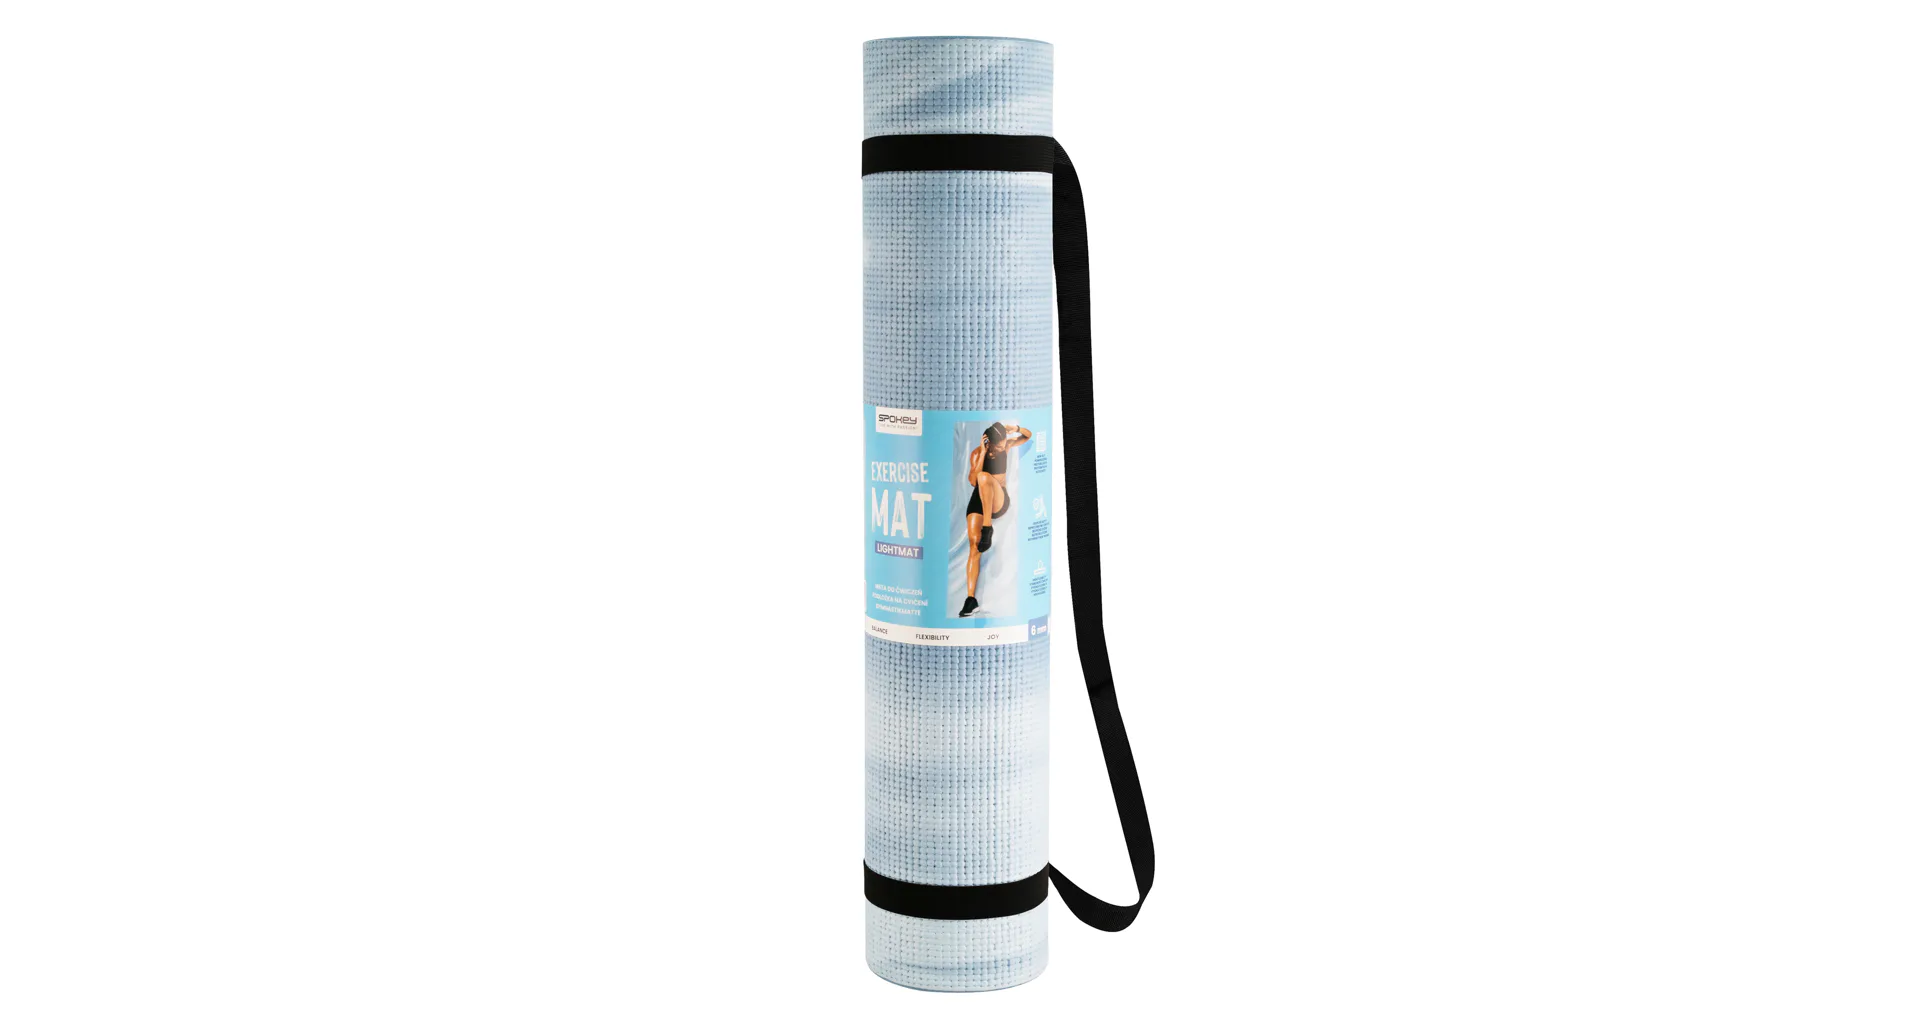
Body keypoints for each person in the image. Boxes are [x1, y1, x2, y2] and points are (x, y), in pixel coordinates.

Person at [959, 421, 1032, 617]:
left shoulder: (1006, 445)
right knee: (974, 546)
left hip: (999, 500)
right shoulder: (977, 453)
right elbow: (972, 481)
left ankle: (987, 527)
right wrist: (983, 453)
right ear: (988, 442)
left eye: (1002, 444)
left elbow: (1028, 435)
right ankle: (970, 599)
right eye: (997, 445)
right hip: (979, 498)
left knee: (984, 477)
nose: (1001, 448)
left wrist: (1015, 428)